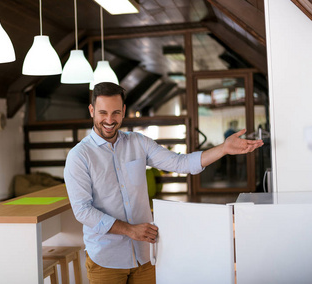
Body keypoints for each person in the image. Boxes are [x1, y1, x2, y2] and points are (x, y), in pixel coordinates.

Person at [64, 82, 263, 284]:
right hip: (106, 259)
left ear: (124, 111)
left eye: (115, 112)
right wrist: (130, 230)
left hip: (145, 255)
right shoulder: (79, 156)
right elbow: (82, 210)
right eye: (102, 112)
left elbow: (181, 162)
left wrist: (224, 149)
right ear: (91, 110)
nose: (109, 120)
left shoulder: (138, 142)